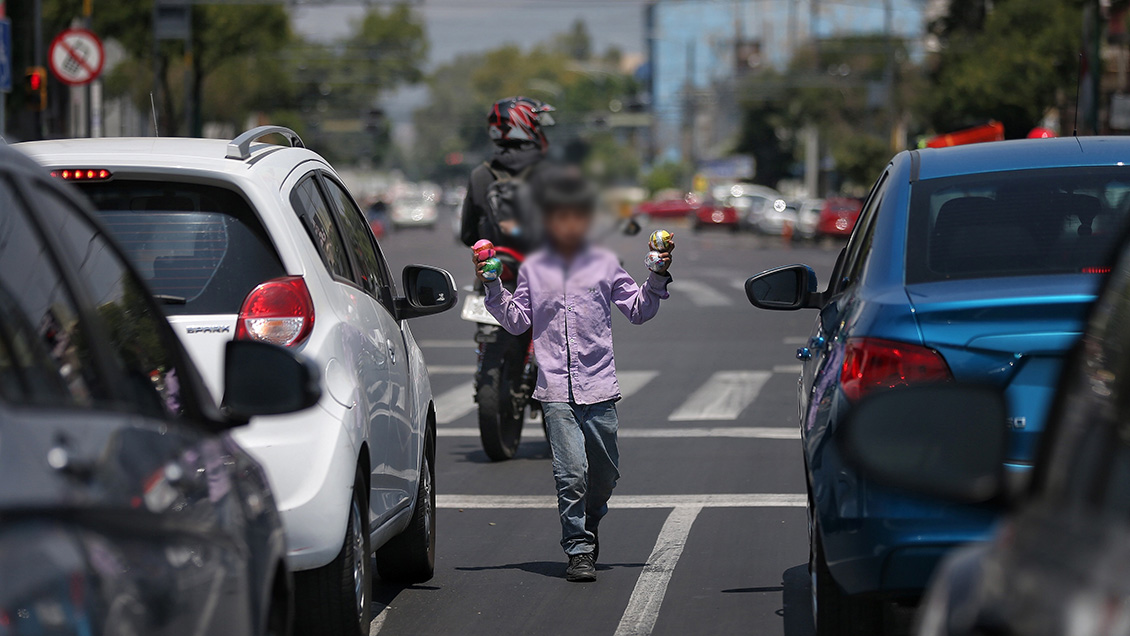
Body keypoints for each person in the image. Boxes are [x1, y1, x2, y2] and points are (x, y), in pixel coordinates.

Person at [472, 167, 674, 582]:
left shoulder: (603, 264)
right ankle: (578, 549)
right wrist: (493, 286)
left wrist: (655, 275)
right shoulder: (533, 269)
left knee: (605, 475)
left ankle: (591, 519)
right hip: (555, 391)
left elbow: (638, 310)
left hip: (599, 387)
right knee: (570, 473)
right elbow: (515, 321)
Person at [460, 96, 556, 252]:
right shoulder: (552, 172)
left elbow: (468, 236)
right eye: (538, 126)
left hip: (501, 271)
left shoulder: (480, 175)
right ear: (524, 126)